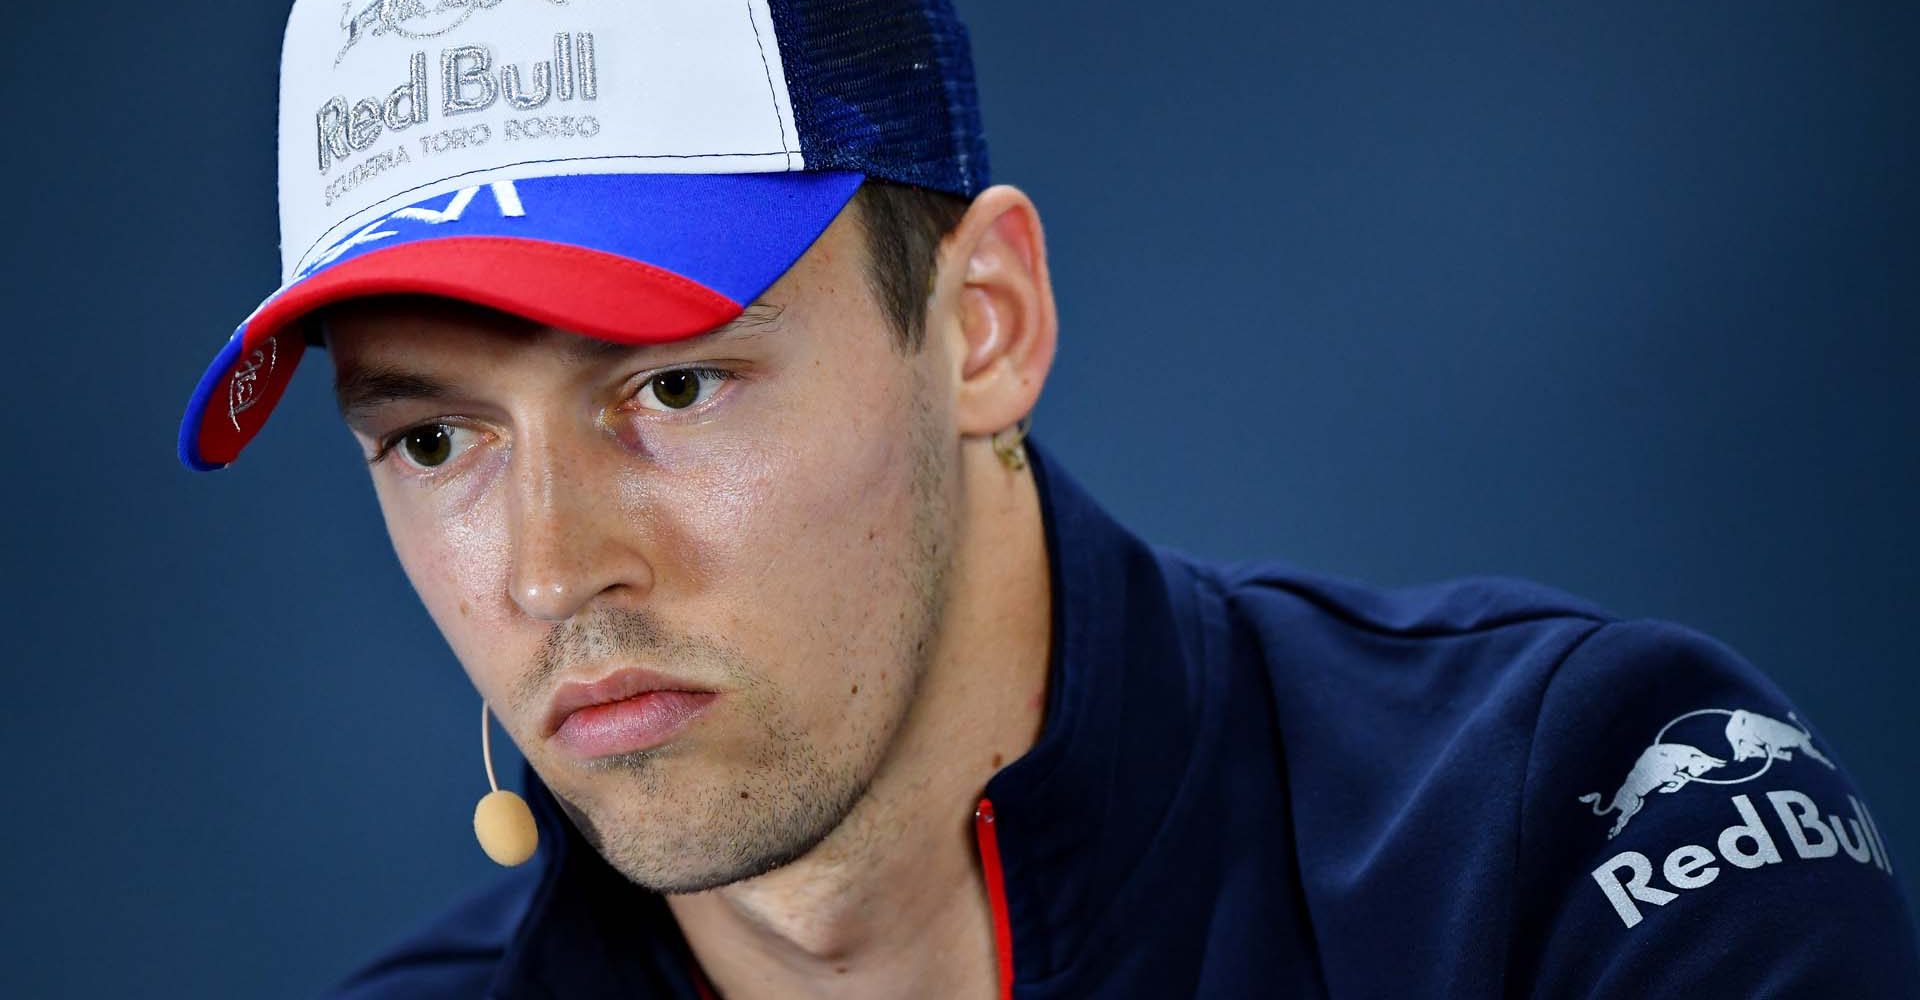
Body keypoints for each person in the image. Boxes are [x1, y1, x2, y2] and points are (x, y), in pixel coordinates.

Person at [178, 1, 1920, 996]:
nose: (551, 570)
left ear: (982, 327)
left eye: (674, 385)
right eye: (433, 441)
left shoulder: (1570, 831)